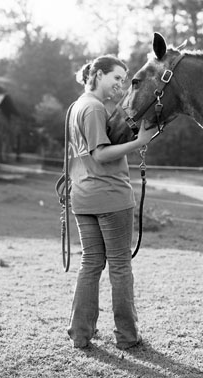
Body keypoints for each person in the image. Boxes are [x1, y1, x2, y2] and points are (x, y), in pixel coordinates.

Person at [66, 55, 155, 350]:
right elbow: (101, 154)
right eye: (116, 78)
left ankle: (80, 334)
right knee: (119, 266)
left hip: (84, 195)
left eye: (123, 79)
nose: (121, 84)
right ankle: (127, 337)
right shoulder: (93, 108)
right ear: (98, 75)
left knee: (90, 264)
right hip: (110, 195)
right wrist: (141, 142)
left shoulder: (76, 106)